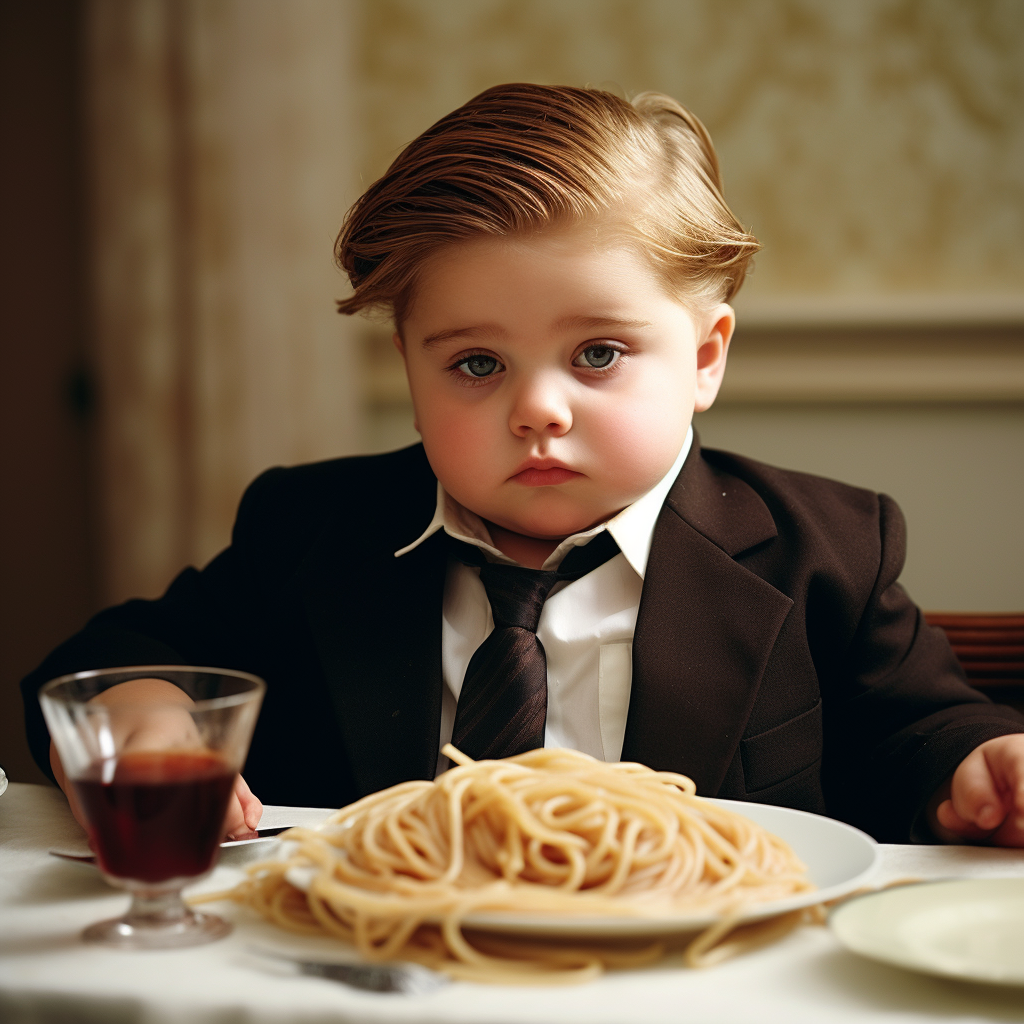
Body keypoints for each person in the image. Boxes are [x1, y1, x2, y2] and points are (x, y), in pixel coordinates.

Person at [22, 84, 1024, 845]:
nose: (537, 408)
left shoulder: (824, 550)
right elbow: (110, 660)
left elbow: (918, 729)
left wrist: (975, 766)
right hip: (373, 979)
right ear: (409, 369)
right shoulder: (312, 531)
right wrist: (141, 714)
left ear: (704, 356)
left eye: (597, 353)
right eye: (475, 363)